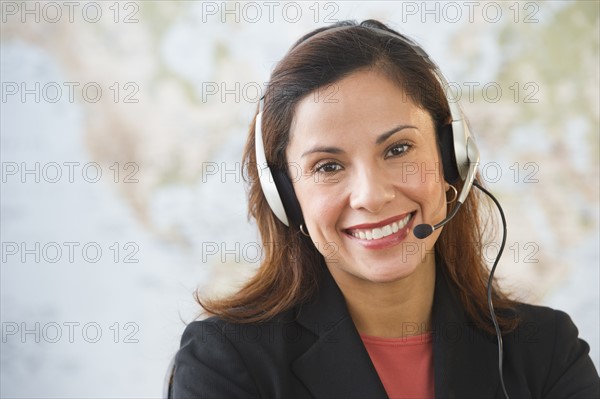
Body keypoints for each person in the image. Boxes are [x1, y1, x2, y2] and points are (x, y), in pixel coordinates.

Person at [171, 19, 600, 398]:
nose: (371, 196)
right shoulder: (224, 361)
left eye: (397, 149)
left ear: (452, 160)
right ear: (286, 197)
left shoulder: (546, 351)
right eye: (329, 166)